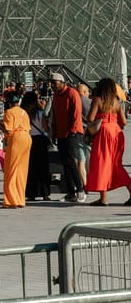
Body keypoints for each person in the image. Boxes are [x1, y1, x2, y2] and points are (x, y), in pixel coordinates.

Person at [84, 77, 131, 206]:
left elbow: (90, 118)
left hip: (103, 132)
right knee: (116, 164)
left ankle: (103, 198)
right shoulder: (117, 102)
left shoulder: (98, 100)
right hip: (116, 132)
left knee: (101, 163)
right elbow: (124, 122)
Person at [50, 72, 86, 203]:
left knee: (70, 161)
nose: (53, 86)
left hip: (72, 132)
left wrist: (73, 130)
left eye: (55, 83)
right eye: (52, 84)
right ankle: (71, 192)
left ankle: (80, 189)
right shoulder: (56, 96)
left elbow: (76, 113)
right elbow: (55, 116)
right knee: (65, 163)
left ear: (62, 82)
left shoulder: (72, 93)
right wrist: (54, 132)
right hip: (61, 133)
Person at [0, 93, 32, 209]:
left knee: (11, 169)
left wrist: (0, 126)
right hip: (27, 138)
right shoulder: (24, 112)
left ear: (9, 102)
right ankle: (20, 199)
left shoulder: (9, 112)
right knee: (22, 170)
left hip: (16, 139)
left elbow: (8, 130)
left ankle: (11, 200)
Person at [25, 89, 52, 202]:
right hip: (41, 141)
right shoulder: (41, 114)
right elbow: (46, 128)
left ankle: (31, 193)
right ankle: (45, 193)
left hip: (29, 141)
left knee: (31, 168)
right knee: (43, 168)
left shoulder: (24, 114)